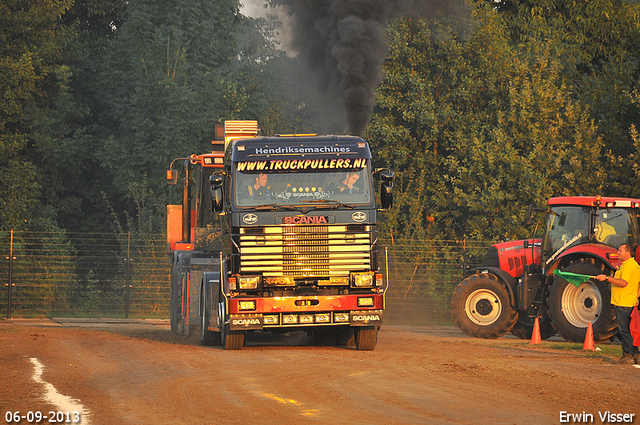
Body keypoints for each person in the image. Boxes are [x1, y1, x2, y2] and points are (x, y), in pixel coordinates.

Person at [595, 243, 640, 364]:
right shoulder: (634, 265)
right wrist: (637, 295)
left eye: (620, 251)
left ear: (627, 252)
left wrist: (607, 278)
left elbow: (623, 283)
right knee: (631, 330)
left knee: (624, 331)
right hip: (629, 302)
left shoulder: (628, 266)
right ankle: (635, 355)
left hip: (623, 303)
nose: (618, 253)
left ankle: (628, 355)